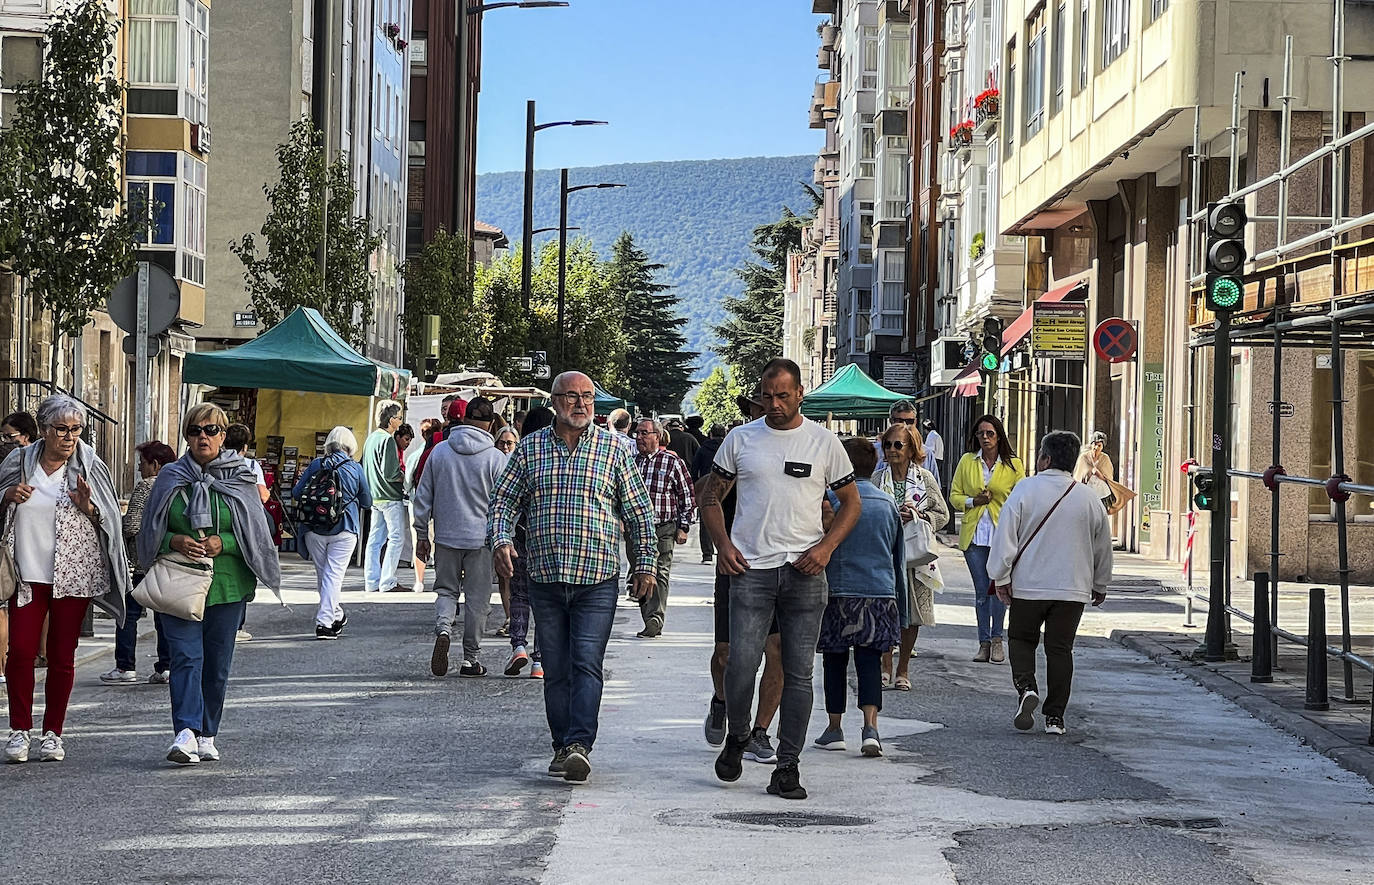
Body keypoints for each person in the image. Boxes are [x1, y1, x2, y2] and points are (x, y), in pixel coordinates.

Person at [702, 358, 861, 801]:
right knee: (740, 665)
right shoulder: (741, 439)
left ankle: (788, 766)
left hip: (804, 571)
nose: (774, 404)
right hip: (751, 568)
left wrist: (825, 548)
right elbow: (710, 497)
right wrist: (723, 546)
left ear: (799, 395)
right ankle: (738, 734)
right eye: (767, 396)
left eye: (783, 396)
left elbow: (851, 504)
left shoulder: (824, 443)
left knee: (798, 674)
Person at [488, 372, 658, 785]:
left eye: (587, 397)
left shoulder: (613, 451)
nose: (581, 405)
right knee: (556, 667)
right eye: (571, 397)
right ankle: (561, 744)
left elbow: (638, 511)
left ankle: (580, 744)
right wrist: (501, 540)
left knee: (586, 663)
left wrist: (646, 563)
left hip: (596, 578)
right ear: (555, 402)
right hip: (544, 577)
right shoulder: (529, 450)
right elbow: (504, 501)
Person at [138, 403, 282, 765]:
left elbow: (258, 532)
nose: (203, 436)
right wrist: (175, 541)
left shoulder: (241, 478)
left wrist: (224, 543)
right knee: (186, 657)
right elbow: (149, 529)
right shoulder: (170, 477)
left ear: (223, 435)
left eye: (212, 430)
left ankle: (207, 732)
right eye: (195, 430)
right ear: (187, 436)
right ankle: (185, 732)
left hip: (227, 585)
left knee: (216, 664)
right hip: (180, 583)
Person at [2, 395, 129, 764]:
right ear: (43, 430)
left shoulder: (89, 466)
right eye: (62, 429)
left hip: (72, 575)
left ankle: (53, 733)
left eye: (76, 429)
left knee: (61, 656)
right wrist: (7, 493)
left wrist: (88, 506)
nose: (70, 437)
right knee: (21, 653)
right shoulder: (19, 461)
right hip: (26, 573)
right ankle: (19, 730)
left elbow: (109, 522)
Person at [990, 430, 1113, 735]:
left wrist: (1001, 576)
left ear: (1044, 458)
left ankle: (1027, 688)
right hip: (1072, 587)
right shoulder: (1089, 498)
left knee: (1021, 639)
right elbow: (1103, 546)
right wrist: (1100, 583)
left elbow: (1005, 536)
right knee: (1060, 648)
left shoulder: (1024, 490)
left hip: (1029, 585)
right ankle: (1055, 717)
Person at [702, 391, 784, 766]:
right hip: (737, 563)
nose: (766, 410)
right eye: (758, 405)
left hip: (783, 566)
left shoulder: (795, 446)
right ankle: (721, 700)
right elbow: (708, 495)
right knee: (727, 654)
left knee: (777, 653)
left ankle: (760, 731)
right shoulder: (737, 447)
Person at [812, 437, 905, 758]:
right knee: (869, 660)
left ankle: (834, 728)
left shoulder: (831, 502)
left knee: (834, 660)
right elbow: (898, 559)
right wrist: (900, 607)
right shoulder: (887, 504)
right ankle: (871, 728)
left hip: (837, 592)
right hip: (879, 593)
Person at [413, 396, 506, 678]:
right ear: (490, 424)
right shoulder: (496, 458)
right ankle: (470, 659)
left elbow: (422, 496)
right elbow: (504, 504)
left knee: (446, 590)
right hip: (481, 540)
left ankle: (443, 629)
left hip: (446, 536)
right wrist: (505, 539)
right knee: (478, 600)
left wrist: (421, 534)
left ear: (464, 419)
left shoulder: (440, 452)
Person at [871, 423, 949, 689]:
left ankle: (903, 668)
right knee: (884, 611)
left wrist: (920, 515)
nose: (891, 450)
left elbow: (943, 514)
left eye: (897, 445)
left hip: (916, 558)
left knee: (912, 615)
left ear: (912, 448)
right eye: (887, 445)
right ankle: (885, 665)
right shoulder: (877, 479)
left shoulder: (925, 478)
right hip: (884, 555)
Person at [949, 413, 1025, 664]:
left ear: (999, 435)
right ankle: (983, 643)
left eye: (990, 433)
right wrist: (973, 501)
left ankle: (997, 640)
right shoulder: (967, 461)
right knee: (982, 591)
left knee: (999, 589)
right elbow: (954, 496)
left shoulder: (1013, 464)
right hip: (974, 538)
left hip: (1002, 536)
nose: (985, 438)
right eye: (980, 433)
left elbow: (1022, 498)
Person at [101, 440, 177, 684]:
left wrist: (118, 525)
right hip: (167, 561)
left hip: (140, 563)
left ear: (155, 464)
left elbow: (133, 525)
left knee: (129, 614)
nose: (140, 469)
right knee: (163, 616)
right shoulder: (178, 485)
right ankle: (165, 666)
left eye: (143, 464)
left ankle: (125, 667)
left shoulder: (146, 487)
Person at [293, 426, 371, 639]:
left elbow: (296, 492)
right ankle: (325, 623)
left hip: (313, 528)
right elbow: (367, 501)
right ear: (350, 445)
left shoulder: (316, 464)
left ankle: (336, 614)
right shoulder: (355, 468)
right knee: (333, 575)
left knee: (324, 575)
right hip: (344, 527)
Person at [631, 417, 696, 639]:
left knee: (660, 571)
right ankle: (647, 615)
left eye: (644, 433)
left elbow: (686, 496)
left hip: (663, 527)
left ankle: (655, 618)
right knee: (639, 573)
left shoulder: (672, 462)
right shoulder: (630, 462)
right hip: (636, 528)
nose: (639, 437)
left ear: (657, 436)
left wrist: (683, 527)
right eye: (637, 433)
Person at [503, 406, 553, 680]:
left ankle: (518, 646)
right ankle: (539, 662)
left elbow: (506, 498)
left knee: (520, 594)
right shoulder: (552, 456)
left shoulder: (521, 456)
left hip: (520, 534)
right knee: (546, 601)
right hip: (548, 540)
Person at [0, 410, 38, 684]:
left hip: (29, 550)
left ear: (25, 437)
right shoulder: (11, 461)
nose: (3, 442)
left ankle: (3, 664)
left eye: (8, 436)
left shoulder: (25, 460)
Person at [363, 400, 406, 593]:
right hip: (389, 496)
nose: (400, 421)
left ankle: (372, 581)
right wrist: (405, 478)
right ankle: (387, 581)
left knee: (374, 540)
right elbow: (390, 473)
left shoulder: (371, 438)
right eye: (398, 418)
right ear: (390, 420)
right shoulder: (387, 440)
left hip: (375, 496)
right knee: (396, 538)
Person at [692, 424, 727, 564]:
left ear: (710, 434)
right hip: (726, 488)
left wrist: (695, 487)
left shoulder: (702, 449)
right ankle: (724, 548)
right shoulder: (728, 448)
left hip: (706, 487)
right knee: (726, 518)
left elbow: (694, 469)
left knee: (706, 520)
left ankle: (707, 554)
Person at [1073, 430, 1116, 510]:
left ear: (1102, 447)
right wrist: (1088, 473)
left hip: (1102, 493)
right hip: (1086, 493)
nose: (1096, 448)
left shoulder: (1105, 458)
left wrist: (1098, 474)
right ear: (1091, 444)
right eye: (1095, 444)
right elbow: (1078, 476)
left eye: (1099, 445)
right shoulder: (1084, 457)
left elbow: (1109, 478)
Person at [875, 400, 918, 468]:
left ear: (915, 422)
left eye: (909, 421)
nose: (904, 425)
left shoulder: (926, 453)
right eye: (899, 421)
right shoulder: (875, 451)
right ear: (891, 421)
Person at [921, 417, 945, 485]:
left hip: (934, 459)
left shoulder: (931, 435)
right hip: (939, 458)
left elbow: (929, 449)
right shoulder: (936, 434)